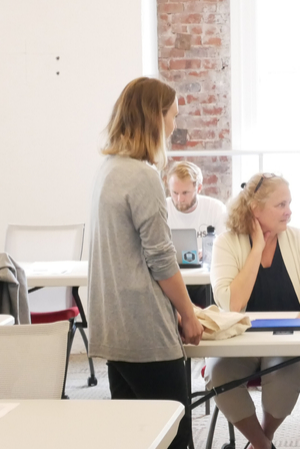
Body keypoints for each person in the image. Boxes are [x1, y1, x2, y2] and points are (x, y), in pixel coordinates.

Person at [87, 77, 205, 449]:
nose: (174, 124)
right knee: (174, 438)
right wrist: (187, 313)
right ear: (155, 117)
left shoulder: (108, 169)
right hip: (144, 331)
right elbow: (160, 257)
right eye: (172, 115)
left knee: (135, 438)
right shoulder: (143, 176)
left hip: (114, 326)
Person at [208, 173, 300, 449]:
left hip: (293, 342)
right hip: (241, 342)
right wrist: (257, 248)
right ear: (255, 208)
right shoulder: (227, 242)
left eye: (289, 203)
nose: (289, 212)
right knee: (218, 374)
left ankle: (262, 440)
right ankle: (263, 445)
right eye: (281, 205)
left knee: (281, 373)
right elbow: (232, 304)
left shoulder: (298, 239)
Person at [165, 160, 227, 307]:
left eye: (185, 193)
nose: (179, 199)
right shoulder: (162, 208)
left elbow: (226, 246)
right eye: (175, 193)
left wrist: (207, 252)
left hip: (205, 279)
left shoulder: (215, 209)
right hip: (171, 277)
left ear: (198, 188)